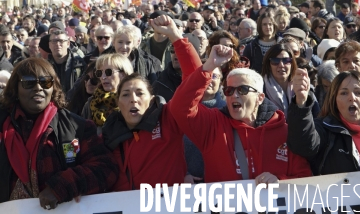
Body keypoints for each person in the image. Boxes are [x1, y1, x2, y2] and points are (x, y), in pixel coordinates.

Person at [169, 43, 311, 183]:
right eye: (229, 91)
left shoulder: (284, 132)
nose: (234, 95)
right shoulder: (213, 125)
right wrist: (209, 66)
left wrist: (280, 181)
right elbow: (180, 107)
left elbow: (305, 179)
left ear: (260, 98)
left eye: (242, 90)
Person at [0, 58, 118, 207]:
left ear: (53, 87)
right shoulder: (2, 127)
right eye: (29, 82)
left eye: (46, 82)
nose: (38, 88)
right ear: (15, 89)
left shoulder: (77, 127)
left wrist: (63, 186)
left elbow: (105, 168)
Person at [102, 15, 202, 189]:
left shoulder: (168, 120)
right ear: (118, 102)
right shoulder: (108, 132)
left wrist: (175, 36)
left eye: (140, 93)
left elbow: (194, 79)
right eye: (125, 94)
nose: (133, 99)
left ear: (152, 99)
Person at [288, 68, 360, 178]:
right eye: (344, 93)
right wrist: (301, 102)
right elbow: (303, 146)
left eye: (358, 92)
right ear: (334, 100)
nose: (352, 98)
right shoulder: (324, 130)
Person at [81, 53, 133, 130]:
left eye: (108, 72)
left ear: (123, 74)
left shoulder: (132, 101)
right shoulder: (91, 103)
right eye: (99, 73)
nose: (103, 77)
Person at [243, 10, 278, 74]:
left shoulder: (281, 43)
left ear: (274, 25)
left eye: (270, 24)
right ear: (260, 26)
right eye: (264, 24)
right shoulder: (251, 47)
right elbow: (245, 69)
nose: (268, 27)